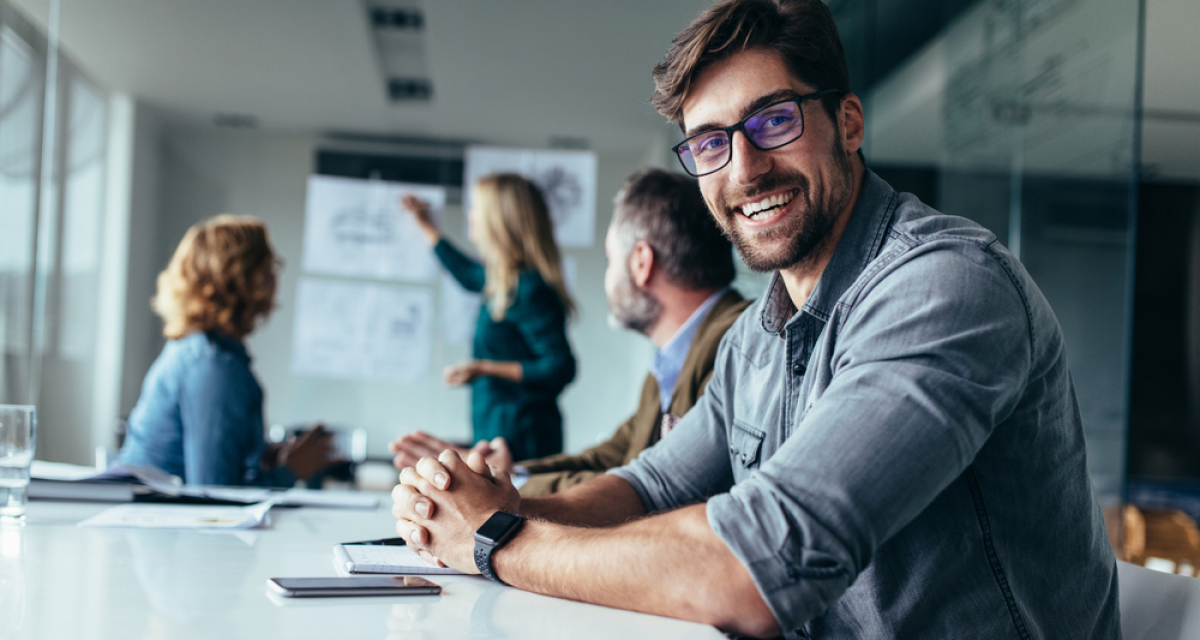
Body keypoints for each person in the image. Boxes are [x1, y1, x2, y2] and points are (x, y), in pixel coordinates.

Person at [390, 1, 1121, 638]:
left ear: (849, 121)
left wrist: (495, 539)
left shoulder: (945, 287)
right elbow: (650, 487)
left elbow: (757, 569)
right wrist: (502, 504)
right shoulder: (756, 336)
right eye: (710, 142)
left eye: (774, 120)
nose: (744, 169)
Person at [390, 168, 751, 496]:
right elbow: (612, 458)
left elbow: (650, 485)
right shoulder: (669, 365)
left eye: (610, 259)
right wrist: (509, 471)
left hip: (525, 429)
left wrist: (509, 481)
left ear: (641, 264)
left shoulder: (732, 347)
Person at [119, 215, 337, 486]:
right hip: (163, 519)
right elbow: (213, 493)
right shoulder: (211, 366)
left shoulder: (203, 352)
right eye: (269, 266)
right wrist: (290, 471)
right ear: (246, 278)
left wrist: (268, 455)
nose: (274, 278)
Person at [401, 174, 576, 462]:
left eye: (476, 209)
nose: (470, 216)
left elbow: (560, 368)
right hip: (497, 433)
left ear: (499, 221)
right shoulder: (502, 283)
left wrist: (482, 368)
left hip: (523, 441)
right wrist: (425, 226)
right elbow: (466, 273)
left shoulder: (528, 289)